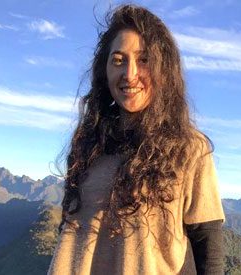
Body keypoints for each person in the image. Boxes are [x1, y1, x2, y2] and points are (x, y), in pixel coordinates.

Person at [48, 5, 225, 275]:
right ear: (104, 71)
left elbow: (209, 251)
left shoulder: (189, 149)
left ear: (163, 68)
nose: (130, 74)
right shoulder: (87, 144)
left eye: (144, 60)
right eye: (118, 60)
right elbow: (69, 231)